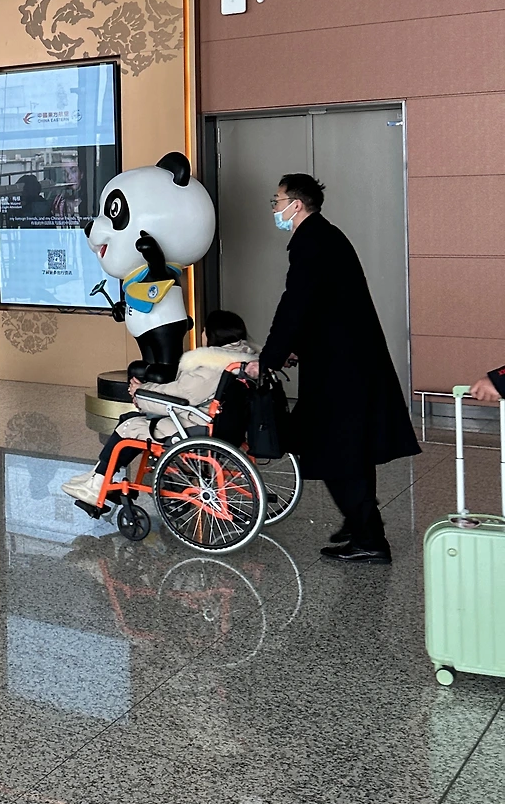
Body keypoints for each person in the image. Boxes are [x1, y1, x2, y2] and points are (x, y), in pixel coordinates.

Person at [247, 173, 418, 564]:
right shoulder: (327, 236)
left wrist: (269, 358)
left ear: (296, 204)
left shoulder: (310, 242)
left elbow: (295, 305)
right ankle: (360, 525)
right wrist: (295, 349)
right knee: (348, 448)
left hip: (340, 370)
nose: (274, 208)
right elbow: (324, 307)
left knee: (336, 449)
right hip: (348, 360)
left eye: (277, 201)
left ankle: (369, 538)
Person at [64, 310, 256, 512]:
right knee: (130, 418)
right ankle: (97, 474)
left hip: (199, 426)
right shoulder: (245, 361)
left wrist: (140, 392)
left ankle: (98, 483)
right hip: (221, 425)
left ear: (212, 334)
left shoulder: (213, 367)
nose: (202, 334)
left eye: (205, 330)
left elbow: (181, 396)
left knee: (129, 426)